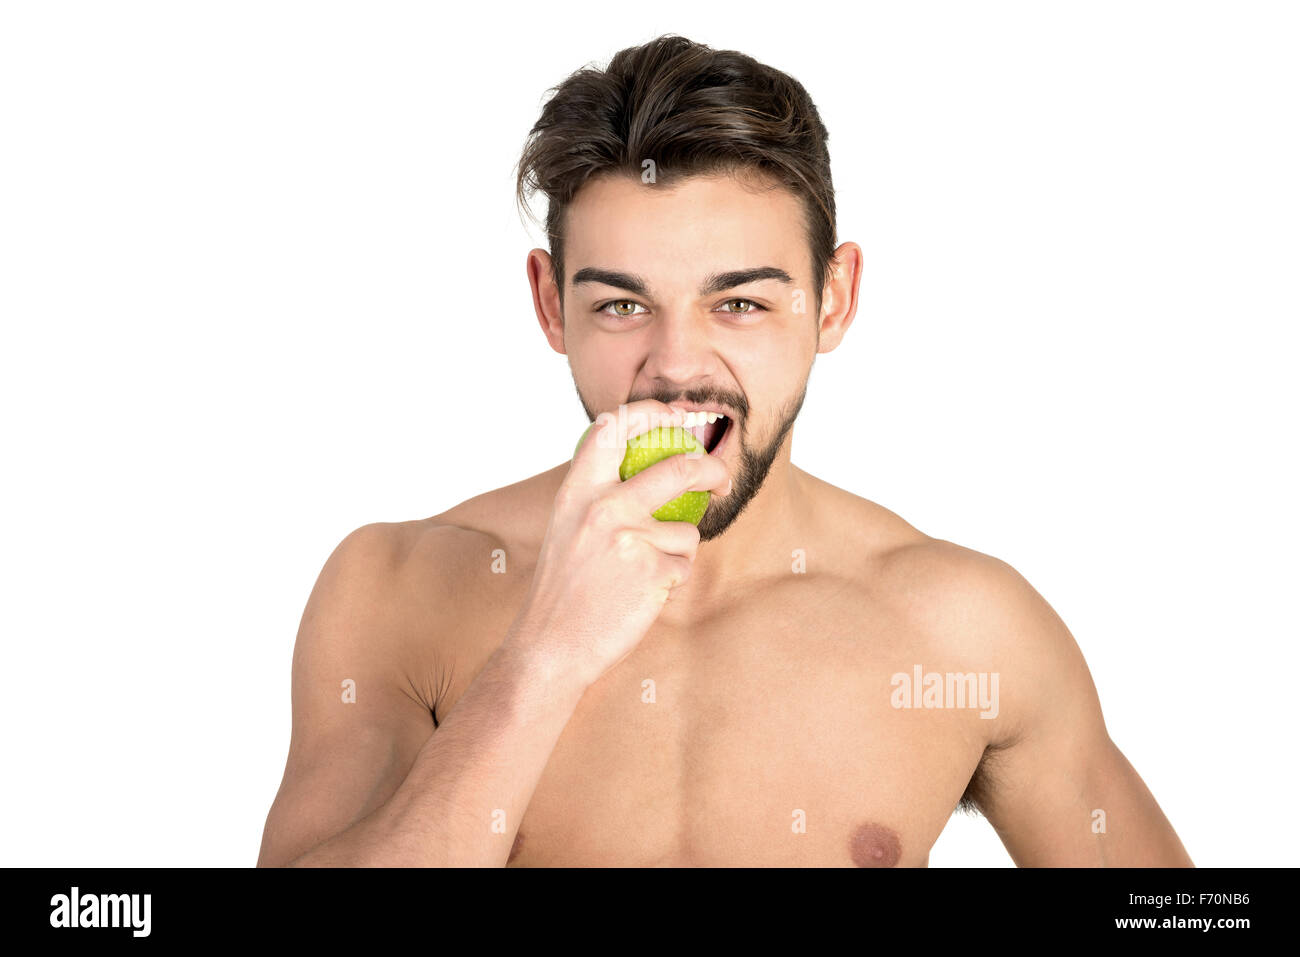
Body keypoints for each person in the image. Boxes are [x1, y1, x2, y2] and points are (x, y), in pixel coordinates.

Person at [257, 34, 1193, 867]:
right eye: (622, 305)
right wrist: (541, 658)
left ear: (833, 298)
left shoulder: (967, 630)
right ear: (550, 305)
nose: (676, 367)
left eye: (739, 301)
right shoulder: (392, 590)